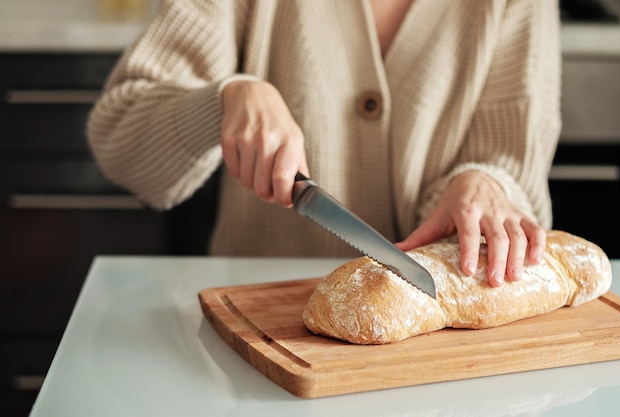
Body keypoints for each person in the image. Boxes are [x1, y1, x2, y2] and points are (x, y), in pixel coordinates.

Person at [87, 0, 562, 288]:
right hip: (259, 334)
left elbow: (512, 164)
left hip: (442, 362)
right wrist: (226, 98)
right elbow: (121, 139)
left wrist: (481, 182)